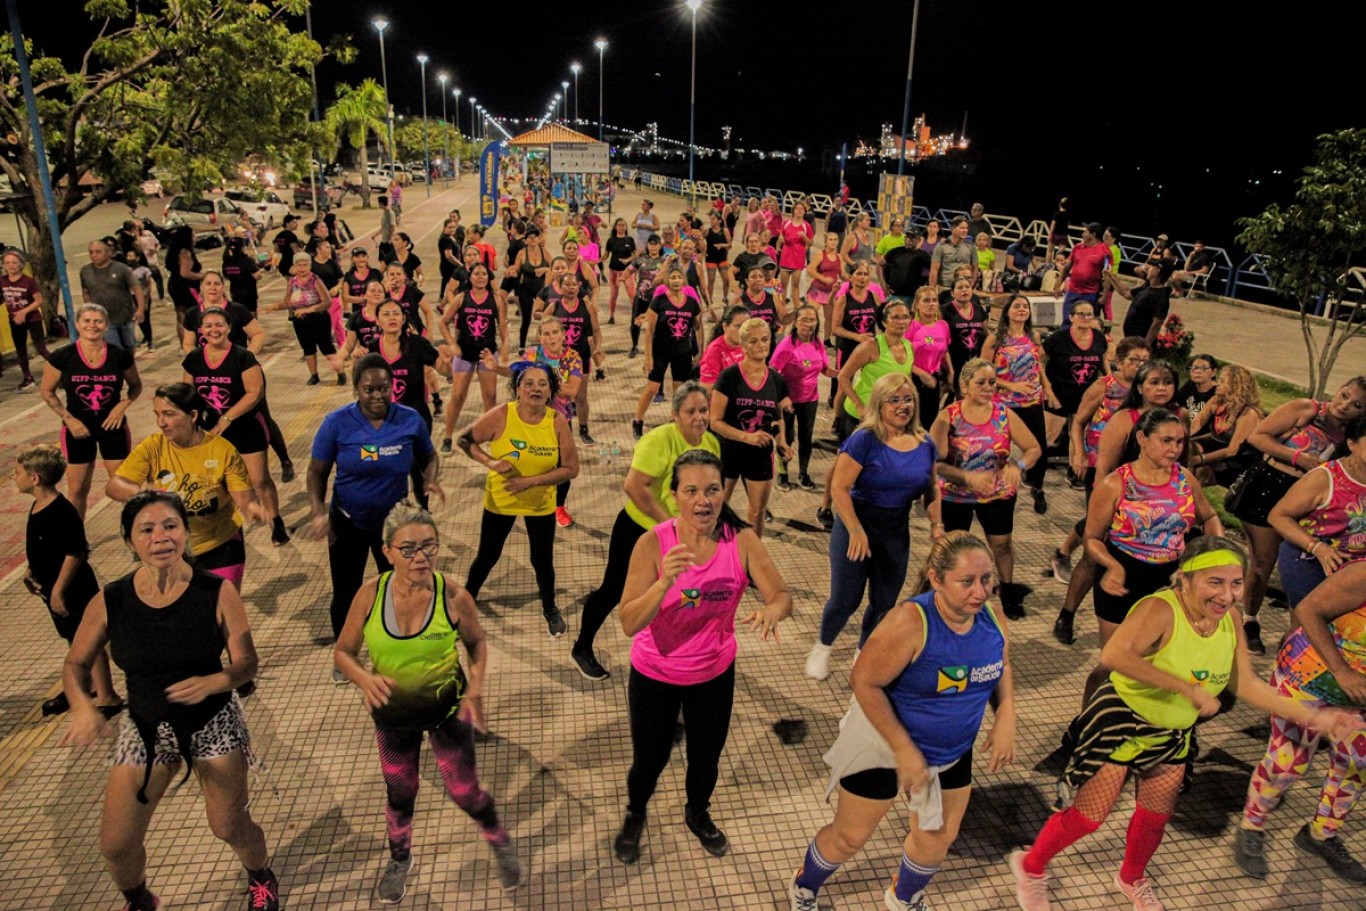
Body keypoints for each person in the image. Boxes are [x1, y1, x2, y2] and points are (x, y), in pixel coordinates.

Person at [1009, 538, 1357, 911]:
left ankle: (1130, 877)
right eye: (1215, 582)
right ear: (1184, 581)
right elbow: (1114, 654)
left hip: (1173, 732)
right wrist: (1186, 689)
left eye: (1236, 583)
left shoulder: (1230, 620)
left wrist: (1315, 717)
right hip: (1121, 722)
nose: (1227, 595)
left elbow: (1248, 684)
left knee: (1155, 817)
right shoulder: (1161, 609)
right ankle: (1030, 867)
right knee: (1089, 817)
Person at [61, 491, 278, 911]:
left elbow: (247, 663)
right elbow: (75, 665)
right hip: (145, 725)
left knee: (228, 826)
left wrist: (215, 680)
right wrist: (83, 707)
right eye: (147, 529)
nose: (161, 537)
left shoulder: (217, 591)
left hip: (212, 721)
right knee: (116, 843)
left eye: (170, 526)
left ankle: (260, 874)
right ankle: (139, 900)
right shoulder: (111, 599)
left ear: (185, 532)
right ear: (129, 540)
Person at [793, 531, 1013, 911]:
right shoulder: (910, 623)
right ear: (936, 579)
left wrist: (1007, 713)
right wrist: (903, 749)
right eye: (967, 582)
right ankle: (804, 885)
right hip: (882, 745)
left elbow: (1002, 663)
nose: (980, 591)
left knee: (936, 839)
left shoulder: (991, 616)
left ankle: (904, 897)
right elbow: (863, 681)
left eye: (986, 579)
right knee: (849, 838)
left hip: (950, 752)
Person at [334, 504, 522, 902]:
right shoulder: (370, 595)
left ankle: (498, 837)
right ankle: (400, 859)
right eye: (408, 549)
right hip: (393, 718)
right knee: (401, 795)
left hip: (448, 712)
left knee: (464, 791)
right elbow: (343, 652)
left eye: (429, 547)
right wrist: (364, 678)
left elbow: (477, 642)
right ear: (387, 551)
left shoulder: (453, 595)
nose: (421, 557)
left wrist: (476, 688)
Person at [613, 450, 792, 864]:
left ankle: (697, 811)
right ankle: (635, 813)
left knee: (706, 757)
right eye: (691, 490)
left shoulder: (741, 539)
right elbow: (627, 621)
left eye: (712, 490)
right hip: (656, 673)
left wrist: (771, 610)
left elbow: (782, 595)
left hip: (713, 673)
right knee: (649, 760)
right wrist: (663, 584)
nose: (703, 501)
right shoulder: (651, 544)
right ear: (674, 496)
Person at [305, 355, 444, 678]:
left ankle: (401, 647)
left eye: (384, 388)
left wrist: (430, 479)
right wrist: (316, 511)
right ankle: (346, 655)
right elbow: (316, 472)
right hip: (347, 520)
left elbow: (429, 455)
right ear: (356, 389)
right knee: (346, 592)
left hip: (393, 527)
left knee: (399, 587)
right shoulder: (336, 423)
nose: (378, 395)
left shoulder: (410, 420)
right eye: (369, 390)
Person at [572, 382, 719, 681]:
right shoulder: (658, 441)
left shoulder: (711, 444)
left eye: (703, 410)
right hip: (639, 529)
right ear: (675, 414)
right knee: (613, 590)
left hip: (685, 534)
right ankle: (581, 646)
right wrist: (670, 526)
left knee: (678, 595)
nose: (699, 418)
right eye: (690, 411)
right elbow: (634, 487)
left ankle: (675, 655)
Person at [1234, 561, 1366, 885]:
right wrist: (1341, 670)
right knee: (1288, 762)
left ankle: (1320, 834)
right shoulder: (1363, 575)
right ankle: (1252, 825)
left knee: (1357, 762)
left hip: (1356, 696)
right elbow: (1307, 611)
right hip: (1305, 676)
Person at [804, 373, 940, 680]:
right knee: (846, 599)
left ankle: (863, 655)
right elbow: (839, 487)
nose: (903, 406)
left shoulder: (925, 443)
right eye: (895, 400)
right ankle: (822, 646)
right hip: (856, 527)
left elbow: (931, 489)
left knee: (883, 603)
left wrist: (937, 525)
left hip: (894, 532)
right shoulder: (864, 440)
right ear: (879, 404)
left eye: (908, 400)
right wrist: (854, 529)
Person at [1232, 377, 1366, 654]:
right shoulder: (1307, 410)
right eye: (1343, 396)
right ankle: (1249, 620)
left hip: (1312, 500)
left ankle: (1294, 631)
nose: (1343, 406)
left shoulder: (1353, 436)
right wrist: (1297, 458)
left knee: (1293, 560)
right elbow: (1256, 436)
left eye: (1355, 405)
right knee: (1262, 563)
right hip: (1270, 486)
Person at [457, 363, 579, 638]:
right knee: (487, 556)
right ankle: (466, 601)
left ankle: (549, 607)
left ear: (551, 391)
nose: (536, 388)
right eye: (529, 383)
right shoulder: (502, 414)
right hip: (501, 500)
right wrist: (489, 461)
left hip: (540, 503)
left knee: (542, 560)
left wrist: (531, 481)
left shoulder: (556, 421)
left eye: (543, 384)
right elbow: (464, 441)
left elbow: (571, 469)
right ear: (517, 389)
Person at [930, 358, 1042, 620]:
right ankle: (950, 596)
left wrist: (1019, 465)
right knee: (954, 549)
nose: (988, 387)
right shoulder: (948, 416)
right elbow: (935, 465)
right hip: (955, 496)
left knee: (1001, 545)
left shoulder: (1004, 414)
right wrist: (967, 477)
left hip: (997, 494)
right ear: (965, 385)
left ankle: (1008, 590)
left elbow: (1034, 448)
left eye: (992, 382)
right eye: (981, 382)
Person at [17, 445, 122, 718]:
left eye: (18, 473)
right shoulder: (39, 506)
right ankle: (84, 686)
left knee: (90, 638)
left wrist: (59, 591)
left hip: (72, 588)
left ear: (35, 478)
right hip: (53, 587)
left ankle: (108, 695)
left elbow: (75, 551)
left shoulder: (61, 510)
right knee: (73, 637)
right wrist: (31, 571)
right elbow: (44, 546)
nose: (13, 478)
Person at [181, 309, 289, 546]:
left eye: (219, 324)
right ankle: (228, 524)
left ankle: (275, 519)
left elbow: (254, 393)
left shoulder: (243, 358)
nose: (214, 330)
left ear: (229, 327)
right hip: (211, 431)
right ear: (201, 330)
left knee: (259, 479)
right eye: (208, 326)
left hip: (245, 427)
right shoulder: (194, 359)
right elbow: (187, 394)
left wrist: (227, 418)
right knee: (216, 481)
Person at [40, 304, 143, 518]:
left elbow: (135, 386)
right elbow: (47, 392)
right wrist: (69, 420)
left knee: (124, 488)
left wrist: (121, 407)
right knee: (77, 490)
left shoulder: (120, 356)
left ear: (106, 325)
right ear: (77, 324)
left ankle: (136, 535)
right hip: (77, 431)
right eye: (86, 321)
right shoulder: (62, 356)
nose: (92, 326)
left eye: (98, 321)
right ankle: (76, 542)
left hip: (112, 429)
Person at [1266, 414, 1366, 609]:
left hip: (1355, 571)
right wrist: (1318, 548)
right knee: (1308, 630)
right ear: (1352, 444)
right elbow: (1278, 516)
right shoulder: (1324, 478)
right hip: (1312, 562)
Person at [710, 318, 794, 538]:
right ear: (744, 345)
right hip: (728, 452)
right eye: (754, 341)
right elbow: (715, 421)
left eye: (765, 340)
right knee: (717, 510)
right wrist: (745, 437)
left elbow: (776, 418)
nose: (761, 345)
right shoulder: (729, 377)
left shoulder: (776, 380)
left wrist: (782, 441)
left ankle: (751, 557)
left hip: (760, 455)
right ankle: (713, 553)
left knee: (757, 513)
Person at [982, 294, 1050, 513]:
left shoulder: (1034, 336)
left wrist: (1047, 389)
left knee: (1039, 448)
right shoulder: (995, 339)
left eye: (1025, 307)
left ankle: (1036, 487)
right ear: (1007, 311)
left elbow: (1037, 366)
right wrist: (1011, 386)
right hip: (1003, 403)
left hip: (1031, 401)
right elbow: (983, 372)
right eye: (1017, 306)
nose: (1021, 310)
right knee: (998, 449)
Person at [438, 263, 508, 451]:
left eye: (484, 274)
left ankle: (490, 435)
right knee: (458, 396)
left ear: (488, 277)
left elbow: (502, 327)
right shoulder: (461, 298)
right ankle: (447, 436)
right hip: (465, 354)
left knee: (490, 397)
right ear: (470, 277)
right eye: (476, 274)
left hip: (487, 354)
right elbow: (443, 322)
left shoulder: (497, 300)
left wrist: (504, 347)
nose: (480, 277)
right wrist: (452, 343)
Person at [632, 265, 706, 440]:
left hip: (682, 351)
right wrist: (647, 356)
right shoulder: (659, 300)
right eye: (672, 278)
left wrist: (700, 351)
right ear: (667, 280)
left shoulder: (691, 302)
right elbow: (649, 330)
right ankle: (637, 421)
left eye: (679, 278)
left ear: (684, 281)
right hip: (660, 350)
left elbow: (698, 326)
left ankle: (676, 423)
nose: (676, 281)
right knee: (652, 388)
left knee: (679, 391)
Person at [1040, 299, 1110, 483]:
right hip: (1058, 393)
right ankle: (1033, 471)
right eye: (1081, 314)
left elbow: (1104, 361)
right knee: (1049, 437)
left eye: (1089, 314)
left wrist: (1109, 381)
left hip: (1085, 396)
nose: (1086, 318)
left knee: (1079, 435)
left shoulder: (1099, 337)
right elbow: (1036, 360)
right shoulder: (1058, 338)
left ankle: (1075, 472)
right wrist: (1047, 388)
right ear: (1071, 317)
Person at [771, 305, 838, 490]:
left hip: (810, 398)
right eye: (804, 320)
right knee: (787, 437)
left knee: (806, 437)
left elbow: (825, 369)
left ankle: (803, 472)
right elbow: (773, 372)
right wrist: (781, 397)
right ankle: (783, 474)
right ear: (796, 322)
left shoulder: (817, 342)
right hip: (789, 400)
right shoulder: (787, 345)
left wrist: (844, 374)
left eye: (812, 320)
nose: (809, 324)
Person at [264, 253, 346, 385]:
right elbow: (287, 302)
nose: (302, 268)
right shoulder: (292, 282)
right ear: (295, 266)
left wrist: (309, 309)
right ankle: (314, 375)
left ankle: (340, 373)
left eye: (304, 265)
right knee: (308, 348)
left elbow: (327, 302)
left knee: (326, 347)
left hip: (318, 319)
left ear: (309, 265)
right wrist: (274, 306)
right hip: (300, 320)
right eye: (299, 265)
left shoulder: (316, 280)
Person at [1190, 363, 1263, 490]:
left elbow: (1232, 450)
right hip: (1213, 445)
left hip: (1234, 459)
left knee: (1199, 473)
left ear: (1235, 387)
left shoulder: (1248, 413)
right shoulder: (1215, 401)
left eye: (1223, 381)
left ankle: (1185, 500)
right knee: (1184, 450)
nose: (1218, 383)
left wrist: (1200, 459)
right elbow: (1196, 424)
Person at [80, 239, 145, 350]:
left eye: (98, 252)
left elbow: (136, 288)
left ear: (108, 253)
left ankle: (129, 365)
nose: (94, 255)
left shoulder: (121, 269)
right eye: (91, 252)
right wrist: (90, 310)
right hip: (104, 318)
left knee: (129, 345)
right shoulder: (86, 271)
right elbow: (86, 292)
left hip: (125, 315)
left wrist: (140, 309)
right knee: (115, 348)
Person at [180, 271, 265, 354]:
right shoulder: (192, 314)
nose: (213, 288)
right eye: (208, 283)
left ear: (223, 287)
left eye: (217, 284)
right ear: (201, 287)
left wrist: (248, 356)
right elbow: (188, 344)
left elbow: (258, 334)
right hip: (209, 365)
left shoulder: (238, 310)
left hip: (236, 365)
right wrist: (198, 361)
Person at [2, 249, 51, 389]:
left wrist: (23, 312)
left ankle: (59, 369)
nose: (11, 266)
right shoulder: (2, 281)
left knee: (40, 347)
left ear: (21, 265)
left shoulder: (27, 281)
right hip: (14, 319)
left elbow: (38, 300)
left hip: (32, 319)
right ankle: (27, 377)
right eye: (7, 263)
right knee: (21, 349)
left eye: (14, 263)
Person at [907, 286, 951, 431]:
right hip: (913, 378)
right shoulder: (911, 327)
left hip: (933, 378)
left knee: (930, 418)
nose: (931, 304)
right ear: (917, 305)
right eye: (926, 301)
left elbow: (945, 351)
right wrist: (921, 373)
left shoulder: (943, 325)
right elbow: (901, 357)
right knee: (912, 420)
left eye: (934, 300)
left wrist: (950, 371)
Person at [1052, 222, 1111, 324]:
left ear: (1093, 235)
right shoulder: (1077, 248)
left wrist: (1104, 296)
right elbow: (1066, 268)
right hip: (1072, 291)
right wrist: (1057, 285)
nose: (1082, 234)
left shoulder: (1105, 252)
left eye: (1086, 232)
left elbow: (1108, 275)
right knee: (1067, 320)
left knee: (1083, 322)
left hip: (1090, 294)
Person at [1110, 259, 1176, 345]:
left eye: (1152, 268)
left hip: (1139, 340)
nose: (1148, 270)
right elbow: (1126, 293)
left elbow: (1157, 323)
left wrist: (1145, 345)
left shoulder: (1161, 296)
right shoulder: (1147, 287)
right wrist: (1111, 276)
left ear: (1157, 271)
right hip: (1130, 336)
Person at [943, 276, 989, 384]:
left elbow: (985, 335)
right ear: (952, 293)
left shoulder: (978, 309)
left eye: (967, 287)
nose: (964, 290)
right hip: (953, 362)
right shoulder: (944, 311)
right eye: (960, 287)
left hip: (974, 362)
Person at [698, 303, 749, 392]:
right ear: (725, 326)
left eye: (746, 327)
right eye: (738, 326)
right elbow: (707, 389)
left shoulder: (749, 345)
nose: (743, 331)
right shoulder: (714, 351)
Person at [778, 201, 814, 303]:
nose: (799, 211)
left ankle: (796, 308)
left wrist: (805, 237)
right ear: (793, 210)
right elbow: (781, 238)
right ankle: (782, 308)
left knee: (795, 286)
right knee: (783, 286)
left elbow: (811, 243)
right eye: (797, 208)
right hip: (785, 258)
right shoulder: (786, 223)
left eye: (802, 209)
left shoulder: (807, 226)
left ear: (805, 212)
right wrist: (779, 242)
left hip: (798, 260)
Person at [928, 216, 976, 291]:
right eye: (962, 228)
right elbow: (934, 270)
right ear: (953, 229)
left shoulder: (971, 246)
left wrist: (972, 284)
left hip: (963, 287)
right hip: (945, 287)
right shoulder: (941, 246)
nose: (965, 231)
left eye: (966, 228)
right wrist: (932, 289)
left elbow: (975, 267)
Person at [605, 217, 638, 323]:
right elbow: (606, 255)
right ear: (615, 227)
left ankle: (635, 317)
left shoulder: (629, 240)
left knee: (632, 295)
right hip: (614, 271)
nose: (621, 227)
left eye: (623, 225)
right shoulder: (611, 240)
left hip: (627, 271)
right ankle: (611, 316)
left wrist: (628, 259)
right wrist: (596, 260)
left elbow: (636, 254)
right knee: (613, 294)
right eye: (619, 225)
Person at [702, 210, 732, 310]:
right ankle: (709, 300)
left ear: (719, 221)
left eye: (713, 219)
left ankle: (725, 297)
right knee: (711, 280)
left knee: (726, 280)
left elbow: (730, 245)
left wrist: (722, 245)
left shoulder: (725, 231)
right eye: (710, 219)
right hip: (710, 258)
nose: (711, 221)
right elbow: (699, 241)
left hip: (722, 258)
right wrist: (702, 251)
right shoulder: (707, 232)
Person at [1175, 353, 1218, 420]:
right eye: (1194, 367)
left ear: (1213, 372)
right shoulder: (1190, 385)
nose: (1198, 371)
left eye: (1204, 368)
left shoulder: (1217, 393)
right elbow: (1175, 402)